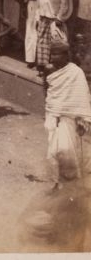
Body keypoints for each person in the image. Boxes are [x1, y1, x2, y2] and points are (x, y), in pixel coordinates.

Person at [43, 43, 91, 186]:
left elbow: (81, 97)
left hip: (68, 119)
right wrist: (51, 105)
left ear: (65, 56)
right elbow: (46, 89)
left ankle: (67, 183)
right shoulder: (48, 70)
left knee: (64, 150)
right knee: (53, 152)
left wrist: (82, 121)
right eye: (51, 54)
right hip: (52, 115)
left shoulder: (75, 72)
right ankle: (56, 182)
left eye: (56, 54)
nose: (52, 57)